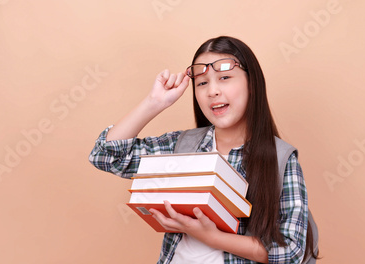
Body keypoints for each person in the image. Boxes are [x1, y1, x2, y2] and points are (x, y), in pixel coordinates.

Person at [89, 36, 310, 263]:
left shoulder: (280, 159)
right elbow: (106, 156)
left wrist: (213, 238)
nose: (212, 91)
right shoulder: (182, 147)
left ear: (252, 84)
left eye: (224, 78)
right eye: (202, 83)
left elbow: (291, 252)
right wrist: (154, 102)